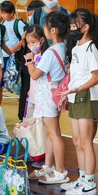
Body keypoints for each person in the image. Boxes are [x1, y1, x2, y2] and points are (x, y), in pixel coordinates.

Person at [60, 8, 98, 195]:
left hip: (85, 96)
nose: (71, 29)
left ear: (85, 27)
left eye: (73, 26)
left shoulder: (91, 47)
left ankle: (90, 183)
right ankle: (83, 178)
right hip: (74, 96)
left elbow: (96, 77)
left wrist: (78, 88)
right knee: (77, 141)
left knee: (85, 142)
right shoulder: (76, 47)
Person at [25, 12, 69, 185]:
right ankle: (49, 165)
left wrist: (29, 62)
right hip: (55, 94)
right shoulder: (64, 47)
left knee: (54, 134)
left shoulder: (51, 52)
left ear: (53, 30)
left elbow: (35, 75)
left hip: (49, 96)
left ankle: (60, 171)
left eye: (44, 27)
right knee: (50, 134)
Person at [17, 24, 49, 120]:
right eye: (28, 43)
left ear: (42, 40)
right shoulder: (34, 55)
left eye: (33, 42)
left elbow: (35, 75)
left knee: (39, 124)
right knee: (28, 121)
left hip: (42, 97)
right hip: (32, 95)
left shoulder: (44, 56)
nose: (30, 45)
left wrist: (29, 62)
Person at [1, 0, 27, 73]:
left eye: (4, 13)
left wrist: (12, 50)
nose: (2, 15)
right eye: (1, 13)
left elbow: (23, 39)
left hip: (14, 55)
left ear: (12, 13)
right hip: (4, 54)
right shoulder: (3, 23)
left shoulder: (18, 23)